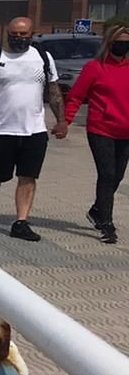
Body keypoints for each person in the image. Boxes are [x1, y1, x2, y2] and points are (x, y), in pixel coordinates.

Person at [0, 17, 62, 242]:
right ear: (7, 33)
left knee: (28, 176)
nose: (19, 38)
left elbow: (53, 90)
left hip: (34, 130)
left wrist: (61, 120)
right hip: (1, 129)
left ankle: (21, 222)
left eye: (24, 34)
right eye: (14, 33)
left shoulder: (43, 58)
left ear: (32, 34)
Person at [56, 23, 129, 245]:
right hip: (101, 129)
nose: (122, 45)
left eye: (126, 42)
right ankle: (106, 222)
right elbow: (77, 96)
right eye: (119, 41)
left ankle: (97, 209)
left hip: (125, 131)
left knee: (117, 176)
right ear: (109, 43)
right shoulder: (94, 68)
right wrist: (65, 121)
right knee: (107, 174)